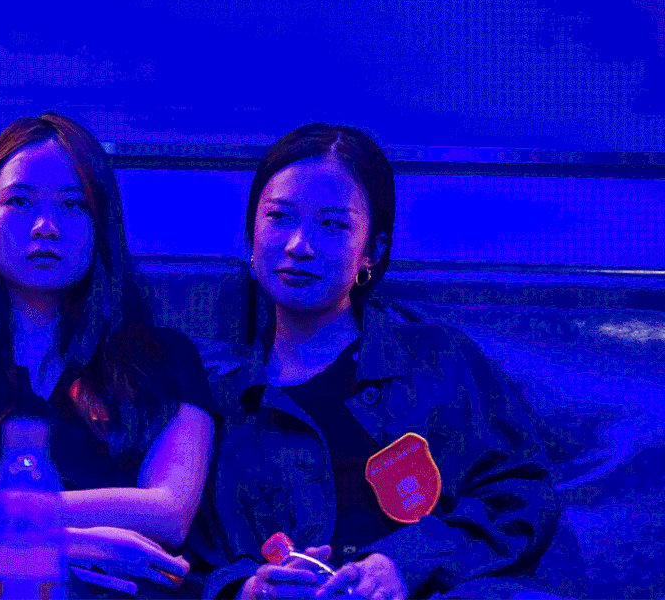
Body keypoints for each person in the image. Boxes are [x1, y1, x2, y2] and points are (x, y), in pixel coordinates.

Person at [204, 124, 562, 600]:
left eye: (333, 225)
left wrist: (405, 564)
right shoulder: (218, 402)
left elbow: (522, 497)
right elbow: (194, 559)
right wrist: (249, 589)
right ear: (251, 234)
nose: (298, 245)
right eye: (279, 217)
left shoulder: (439, 359)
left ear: (371, 251)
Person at [0, 112, 217, 598]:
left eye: (72, 204)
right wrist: (76, 544)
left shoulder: (166, 358)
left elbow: (169, 513)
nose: (45, 227)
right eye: (19, 202)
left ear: (100, 224)